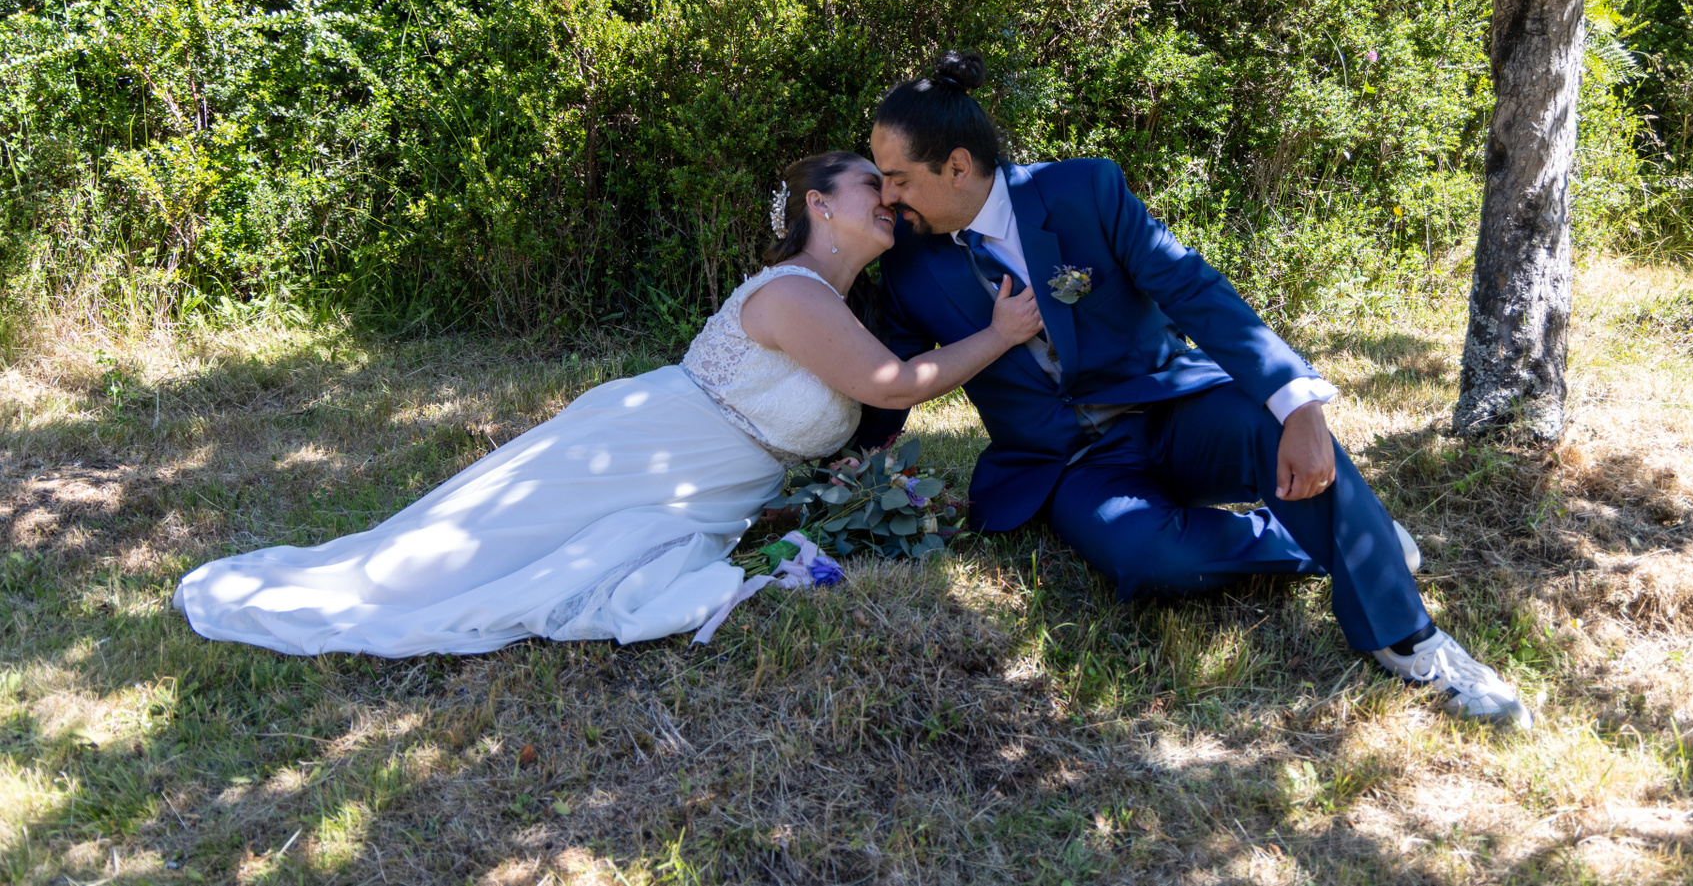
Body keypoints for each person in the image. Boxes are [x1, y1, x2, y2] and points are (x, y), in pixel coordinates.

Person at [856, 51, 1533, 727]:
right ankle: (1347, 541)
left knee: (1272, 426)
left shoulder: (1084, 191)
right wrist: (847, 475)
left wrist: (1297, 399)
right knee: (1150, 558)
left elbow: (1192, 289)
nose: (887, 198)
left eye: (898, 179)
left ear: (957, 166)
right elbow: (892, 381)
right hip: (1071, 463)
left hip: (1171, 411)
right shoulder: (910, 267)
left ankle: (1412, 641)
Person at [174, 151, 1044, 657]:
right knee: (469, 559)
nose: (887, 197)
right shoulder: (795, 293)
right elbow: (891, 385)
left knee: (519, 554)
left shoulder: (833, 301)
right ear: (818, 204)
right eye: (867, 184)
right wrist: (1001, 333)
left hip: (694, 480)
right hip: (653, 449)